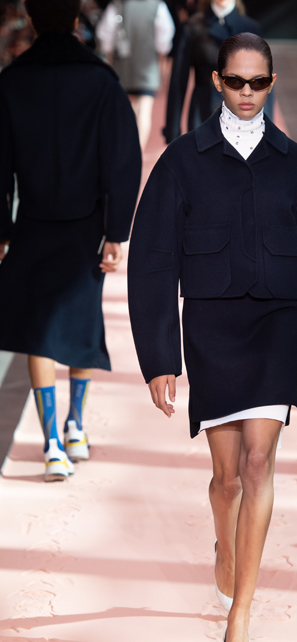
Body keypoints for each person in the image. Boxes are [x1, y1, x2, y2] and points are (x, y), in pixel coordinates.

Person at [128, 33, 297, 642]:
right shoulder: (183, 161)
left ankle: (240, 613)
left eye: (259, 83)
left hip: (279, 326)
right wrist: (159, 356)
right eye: (236, 81)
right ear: (218, 81)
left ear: (271, 83)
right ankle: (227, 549)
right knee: (225, 479)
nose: (247, 93)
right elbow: (152, 260)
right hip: (213, 328)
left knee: (256, 463)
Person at [0, 0, 142, 481]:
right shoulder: (101, 81)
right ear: (77, 20)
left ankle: (52, 444)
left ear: (32, 19)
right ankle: (75, 425)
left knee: (39, 328)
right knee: (82, 321)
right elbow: (122, 160)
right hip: (87, 224)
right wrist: (117, 231)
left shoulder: (12, 80)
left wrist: (1, 228)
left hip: (34, 218)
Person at [163, 0, 273, 144]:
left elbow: (263, 81)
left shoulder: (251, 28)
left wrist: (268, 133)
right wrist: (173, 132)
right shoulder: (192, 27)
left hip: (244, 114)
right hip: (203, 111)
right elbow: (178, 81)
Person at [96, 0, 175, 151]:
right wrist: (161, 62)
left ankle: (127, 150)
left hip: (122, 68)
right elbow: (164, 37)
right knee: (143, 111)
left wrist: (110, 63)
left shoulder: (117, 6)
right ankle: (138, 151)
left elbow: (105, 37)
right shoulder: (157, 6)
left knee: (125, 113)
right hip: (148, 67)